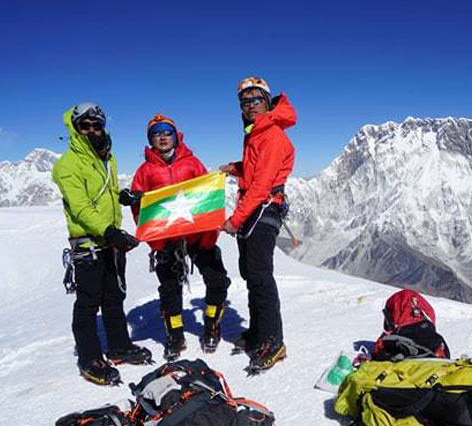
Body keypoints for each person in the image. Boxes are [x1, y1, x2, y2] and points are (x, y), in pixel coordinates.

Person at [52, 102, 152, 386]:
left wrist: (122, 196)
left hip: (109, 241)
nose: (92, 130)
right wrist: (109, 232)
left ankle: (119, 346)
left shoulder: (106, 157)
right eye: (85, 126)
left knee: (113, 297)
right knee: (88, 303)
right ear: (76, 129)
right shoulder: (67, 165)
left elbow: (104, 192)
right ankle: (89, 358)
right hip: (89, 246)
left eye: (97, 125)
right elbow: (81, 207)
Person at [126, 114, 231, 360]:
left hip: (197, 235)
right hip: (166, 241)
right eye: (156, 134)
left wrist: (209, 236)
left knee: (217, 280)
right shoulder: (144, 171)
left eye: (167, 132)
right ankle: (175, 334)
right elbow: (141, 212)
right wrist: (157, 243)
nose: (162, 137)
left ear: (175, 136)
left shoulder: (192, 163)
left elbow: (207, 199)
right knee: (170, 291)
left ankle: (212, 324)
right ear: (150, 140)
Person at [220, 77, 296, 373]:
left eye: (256, 100)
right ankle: (258, 333)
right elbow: (255, 169)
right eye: (245, 101)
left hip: (262, 209)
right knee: (252, 273)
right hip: (256, 209)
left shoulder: (271, 135)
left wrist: (235, 220)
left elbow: (262, 184)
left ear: (267, 102)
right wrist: (236, 168)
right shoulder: (257, 133)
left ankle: (273, 341)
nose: (250, 106)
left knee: (260, 276)